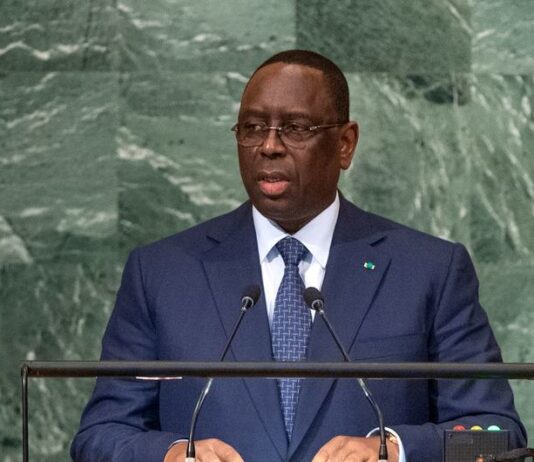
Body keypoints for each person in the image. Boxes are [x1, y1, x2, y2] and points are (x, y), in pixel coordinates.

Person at [71, 50, 526, 462]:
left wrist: (396, 448)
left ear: (345, 143)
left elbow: (498, 438)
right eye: (252, 128)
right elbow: (100, 436)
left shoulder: (429, 270)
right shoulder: (162, 273)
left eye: (295, 128)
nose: (269, 146)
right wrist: (170, 455)